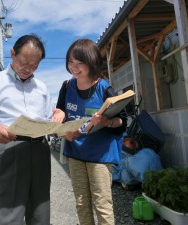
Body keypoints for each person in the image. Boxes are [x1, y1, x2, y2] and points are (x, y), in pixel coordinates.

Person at [0, 34, 64, 225]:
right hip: (9, 148)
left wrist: (57, 117)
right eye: (24, 62)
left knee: (40, 211)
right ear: (12, 53)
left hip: (40, 150)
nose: (28, 69)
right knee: (6, 213)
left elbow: (47, 119)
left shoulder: (41, 88)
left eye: (34, 65)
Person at [56, 39, 127, 225]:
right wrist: (64, 132)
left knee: (102, 203)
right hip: (75, 152)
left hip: (100, 155)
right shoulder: (66, 86)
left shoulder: (105, 88)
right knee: (81, 203)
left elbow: (123, 121)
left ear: (92, 62)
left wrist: (107, 122)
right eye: (71, 62)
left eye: (80, 63)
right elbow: (60, 116)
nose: (74, 67)